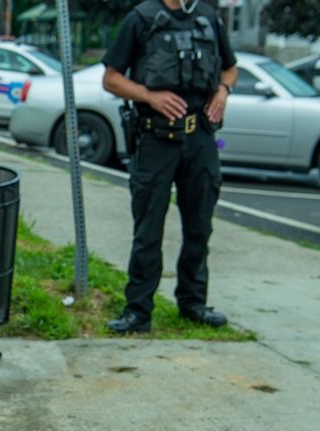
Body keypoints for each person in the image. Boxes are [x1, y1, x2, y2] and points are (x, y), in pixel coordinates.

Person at [102, 0, 237, 333]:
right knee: (148, 231)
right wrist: (149, 96)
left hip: (201, 139)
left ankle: (193, 304)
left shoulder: (208, 18)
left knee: (199, 228)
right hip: (156, 140)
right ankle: (138, 312)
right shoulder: (141, 18)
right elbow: (111, 79)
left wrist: (223, 90)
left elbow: (230, 68)